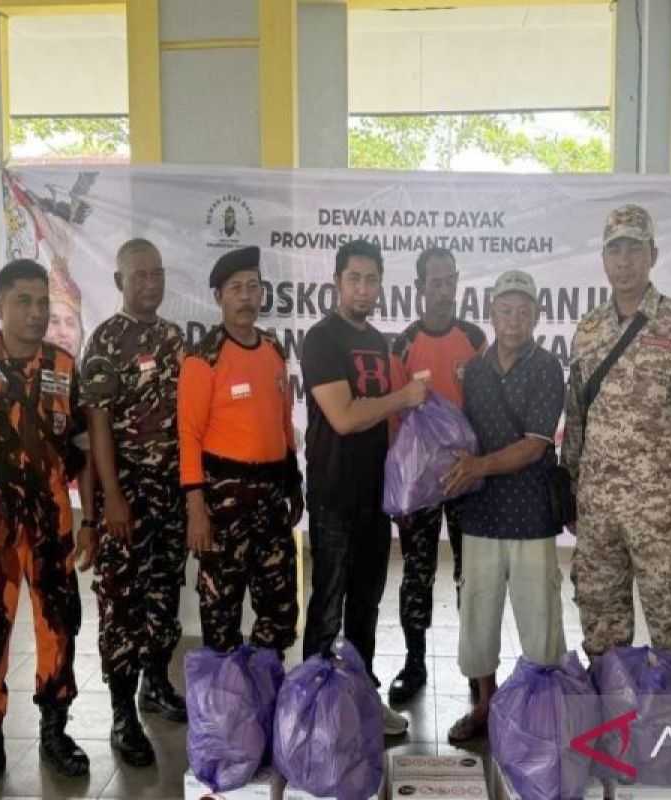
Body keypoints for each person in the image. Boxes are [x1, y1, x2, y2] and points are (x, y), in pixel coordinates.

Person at [562, 204, 671, 677]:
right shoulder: (589, 330)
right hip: (598, 507)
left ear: (652, 253)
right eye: (615, 250)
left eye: (634, 248)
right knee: (601, 621)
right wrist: (569, 492)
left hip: (661, 507)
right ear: (603, 258)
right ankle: (612, 731)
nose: (625, 260)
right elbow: (576, 417)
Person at [0, 259, 94, 798]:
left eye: (42, 303)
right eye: (23, 302)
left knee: (58, 631)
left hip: (52, 530)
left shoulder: (63, 365)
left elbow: (80, 447)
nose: (35, 313)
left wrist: (91, 519)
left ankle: (55, 732)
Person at [300, 239, 429, 736]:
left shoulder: (378, 342)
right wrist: (403, 396)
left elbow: (386, 426)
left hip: (376, 495)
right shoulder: (321, 339)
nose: (362, 288)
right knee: (328, 604)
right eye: (353, 278)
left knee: (366, 605)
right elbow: (345, 417)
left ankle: (360, 700)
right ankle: (312, 710)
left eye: (371, 279)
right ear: (337, 282)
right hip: (335, 494)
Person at [441, 269, 567, 745]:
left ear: (536, 314)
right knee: (478, 616)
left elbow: (535, 445)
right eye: (505, 309)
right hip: (481, 514)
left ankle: (540, 712)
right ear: (491, 313)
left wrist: (477, 467)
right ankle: (486, 707)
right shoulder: (472, 370)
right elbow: (459, 433)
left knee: (540, 621)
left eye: (523, 310)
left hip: (531, 515)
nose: (514, 319)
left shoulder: (547, 367)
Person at [80, 238, 188, 767]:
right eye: (140, 275)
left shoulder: (173, 337)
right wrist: (112, 501)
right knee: (121, 604)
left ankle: (156, 685)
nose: (151, 283)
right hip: (127, 495)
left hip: (170, 493)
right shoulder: (104, 342)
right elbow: (97, 428)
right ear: (120, 281)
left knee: (165, 595)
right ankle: (123, 713)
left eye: (157, 274)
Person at [179, 246, 302, 654]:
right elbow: (189, 436)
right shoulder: (204, 358)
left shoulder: (272, 350)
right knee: (221, 608)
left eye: (254, 287)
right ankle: (224, 707)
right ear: (219, 297)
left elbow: (283, 422)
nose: (247, 297)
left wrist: (293, 482)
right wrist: (196, 510)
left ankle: (265, 691)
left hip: (270, 495)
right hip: (222, 500)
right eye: (236, 288)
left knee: (279, 605)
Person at [387, 247, 485, 704]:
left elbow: (487, 407)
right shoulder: (403, 344)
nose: (443, 290)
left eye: (450, 281)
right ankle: (414, 662)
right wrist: (400, 489)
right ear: (419, 287)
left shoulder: (474, 338)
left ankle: (475, 664)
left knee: (473, 575)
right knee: (417, 573)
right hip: (421, 484)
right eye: (435, 282)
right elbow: (393, 422)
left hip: (468, 479)